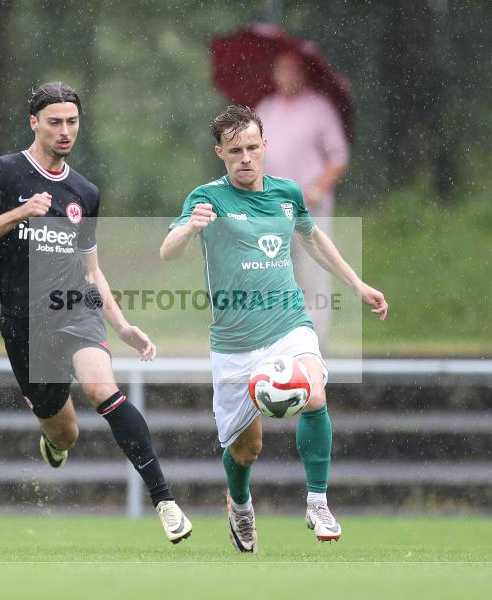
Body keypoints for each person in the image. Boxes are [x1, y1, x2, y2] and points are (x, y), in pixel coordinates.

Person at [0, 82, 192, 543]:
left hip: (74, 307)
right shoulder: (2, 173)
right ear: (34, 124)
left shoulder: (85, 192)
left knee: (103, 387)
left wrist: (121, 324)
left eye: (73, 122)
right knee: (65, 433)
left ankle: (164, 500)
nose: (65, 132)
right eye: (55, 122)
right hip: (24, 323)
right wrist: (21, 212)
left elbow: (92, 270)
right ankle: (54, 442)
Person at [160, 105, 387, 552]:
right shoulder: (206, 197)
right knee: (246, 450)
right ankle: (240, 504)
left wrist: (357, 284)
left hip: (287, 322)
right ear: (220, 154)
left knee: (314, 391)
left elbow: (312, 237)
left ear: (265, 146)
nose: (245, 157)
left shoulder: (287, 193)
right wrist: (190, 227)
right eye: (235, 151)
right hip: (234, 343)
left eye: (252, 148)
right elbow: (167, 250)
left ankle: (318, 501)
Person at [256, 52, 349, 349]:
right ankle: (279, 344)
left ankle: (313, 348)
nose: (287, 76)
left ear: (304, 73)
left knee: (314, 275)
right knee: (275, 276)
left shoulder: (319, 108)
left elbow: (338, 157)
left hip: (310, 207)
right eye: (281, 69)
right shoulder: (265, 109)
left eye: (293, 70)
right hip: (271, 208)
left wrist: (319, 188)